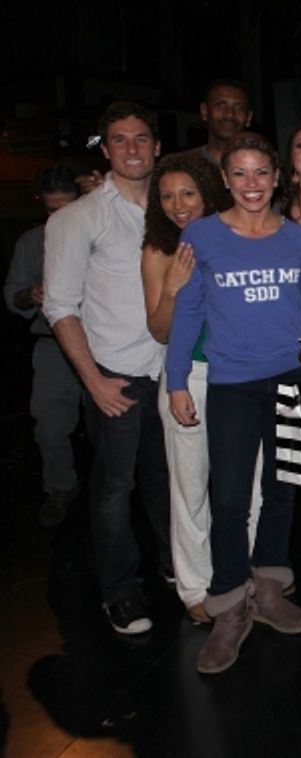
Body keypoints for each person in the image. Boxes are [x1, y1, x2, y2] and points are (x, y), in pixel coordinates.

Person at [166, 132, 301, 673]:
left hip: (288, 381)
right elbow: (187, 313)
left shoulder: (299, 239)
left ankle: (270, 588)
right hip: (232, 384)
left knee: (281, 492)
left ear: (278, 177)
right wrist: (177, 381)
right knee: (231, 501)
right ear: (226, 179)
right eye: (240, 173)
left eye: (262, 173)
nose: (252, 184)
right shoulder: (202, 236)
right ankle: (229, 605)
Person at [44, 101, 172, 635]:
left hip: (174, 374)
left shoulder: (176, 211)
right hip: (117, 376)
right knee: (114, 491)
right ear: (104, 148)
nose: (133, 148)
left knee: (171, 485)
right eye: (120, 140)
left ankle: (177, 570)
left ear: (157, 146)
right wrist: (93, 381)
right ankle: (119, 593)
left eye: (141, 138)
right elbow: (59, 305)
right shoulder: (77, 218)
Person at [141, 152, 235, 624]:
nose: (178, 204)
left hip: (236, 376)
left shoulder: (232, 237)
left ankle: (242, 579)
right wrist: (174, 288)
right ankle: (195, 587)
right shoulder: (159, 250)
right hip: (187, 378)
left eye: (188, 193)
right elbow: (159, 330)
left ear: (207, 194)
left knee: (244, 488)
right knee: (190, 489)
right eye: (167, 195)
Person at [5, 165, 82, 528]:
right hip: (52, 345)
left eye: (69, 208)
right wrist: (29, 294)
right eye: (53, 211)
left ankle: (117, 492)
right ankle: (59, 489)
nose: (62, 218)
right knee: (50, 426)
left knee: (116, 427)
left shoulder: (97, 234)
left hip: (102, 343)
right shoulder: (32, 242)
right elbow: (11, 296)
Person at [190, 78, 254, 168]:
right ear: (204, 111)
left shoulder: (264, 166)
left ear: (248, 118)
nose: (230, 114)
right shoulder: (184, 165)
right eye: (221, 105)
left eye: (239, 108)